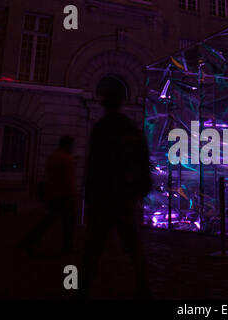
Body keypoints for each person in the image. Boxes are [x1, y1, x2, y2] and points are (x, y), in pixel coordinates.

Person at [79, 91, 152, 299]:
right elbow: (142, 158)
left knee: (92, 249)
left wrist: (89, 195)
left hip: (104, 195)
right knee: (133, 247)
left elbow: (93, 164)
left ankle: (80, 289)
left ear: (104, 104)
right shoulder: (131, 128)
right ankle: (143, 287)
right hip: (125, 196)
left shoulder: (101, 128)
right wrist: (140, 188)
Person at [20, 136, 76, 255]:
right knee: (66, 223)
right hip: (63, 195)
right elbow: (68, 180)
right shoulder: (67, 158)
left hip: (53, 193)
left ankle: (30, 241)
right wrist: (72, 194)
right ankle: (67, 247)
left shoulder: (54, 156)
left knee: (48, 221)